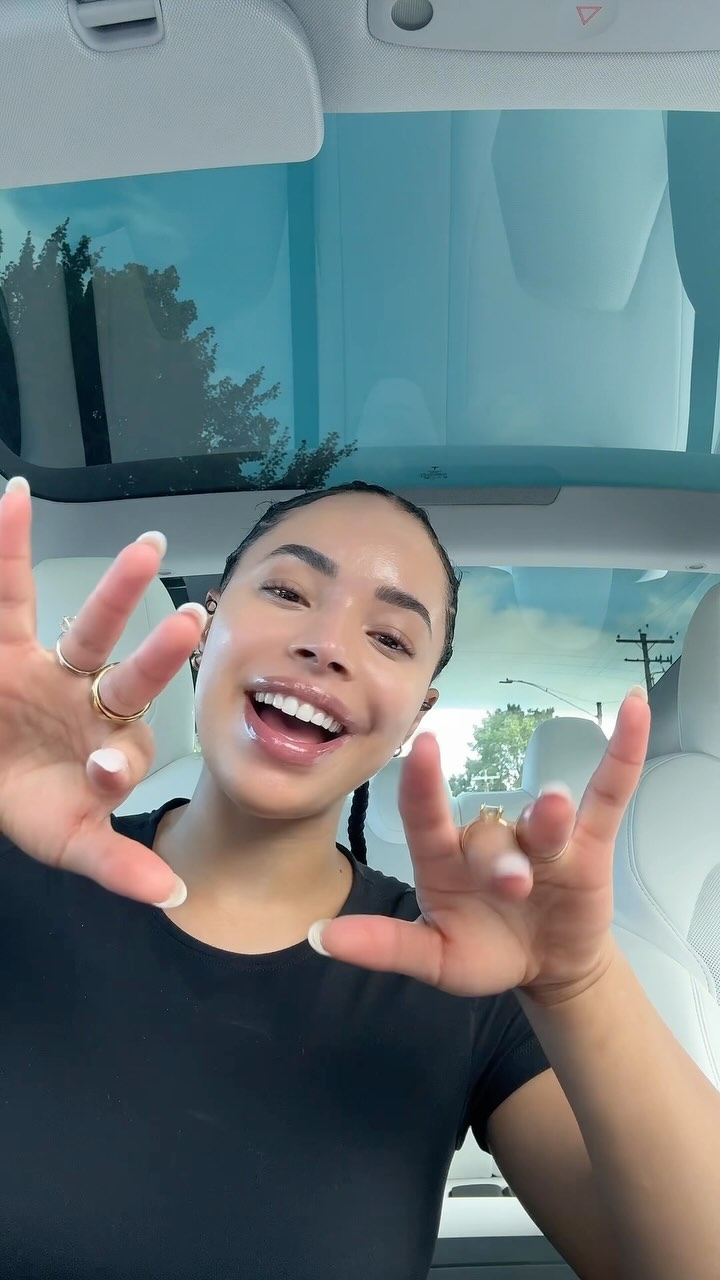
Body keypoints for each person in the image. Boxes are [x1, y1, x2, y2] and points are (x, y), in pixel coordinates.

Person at [0, 473, 718, 1280]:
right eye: (286, 591)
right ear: (208, 626)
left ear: (417, 714)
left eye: (390, 639)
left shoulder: (469, 976)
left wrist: (579, 984)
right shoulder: (19, 863)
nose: (328, 644)